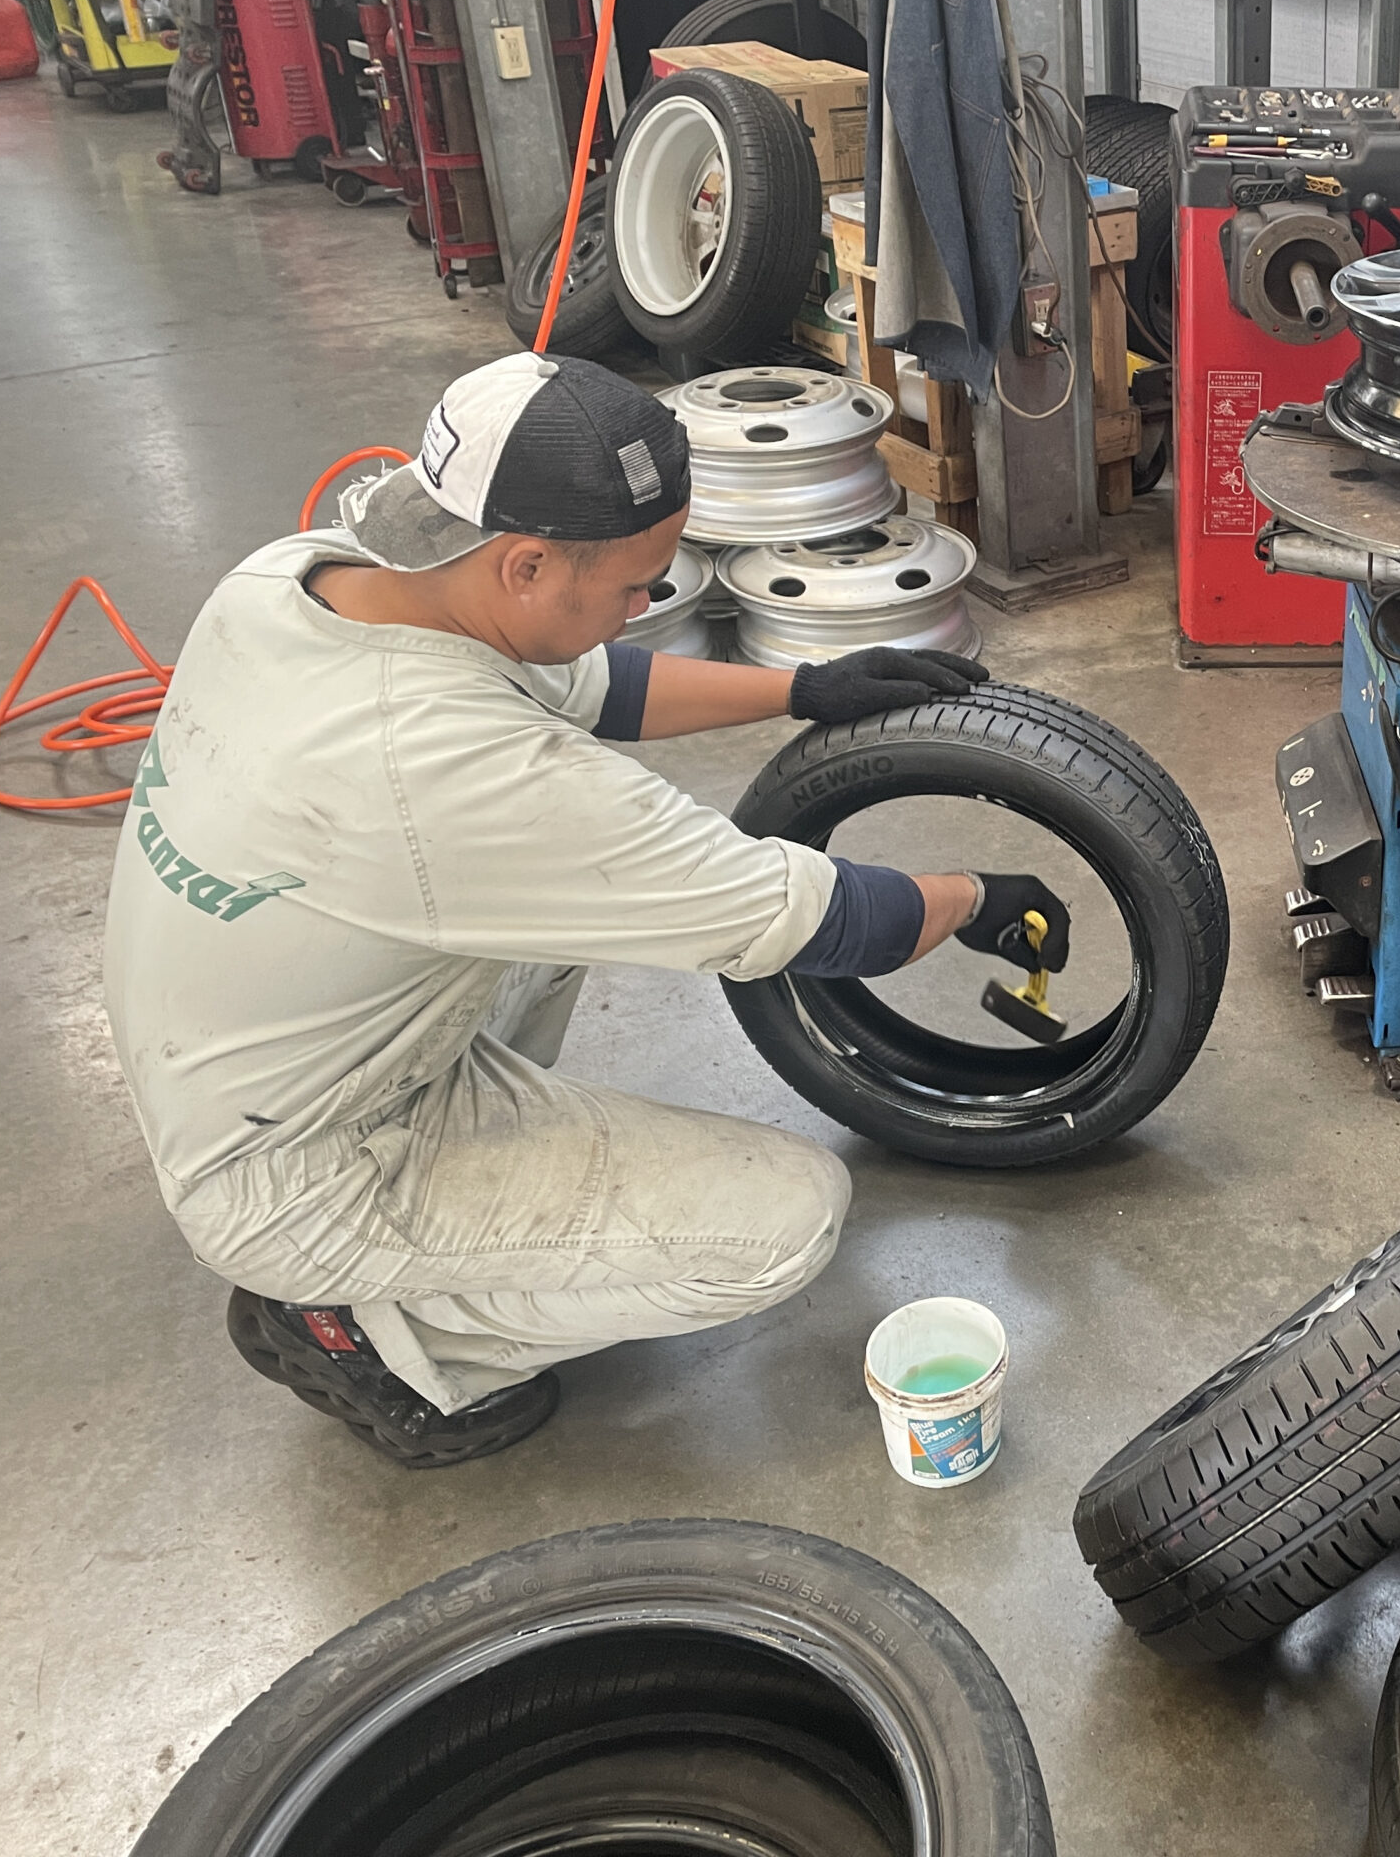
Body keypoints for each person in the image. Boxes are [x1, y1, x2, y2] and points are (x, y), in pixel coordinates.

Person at [103, 353, 1071, 1467]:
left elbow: (598, 684)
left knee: (557, 922)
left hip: (240, 1061)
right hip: (299, 1173)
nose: (647, 607)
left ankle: (422, 1229)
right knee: (787, 1219)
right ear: (523, 565)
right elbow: (805, 919)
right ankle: (362, 1332)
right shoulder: (451, 773)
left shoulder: (298, 580)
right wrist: (973, 897)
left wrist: (804, 687)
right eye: (635, 585)